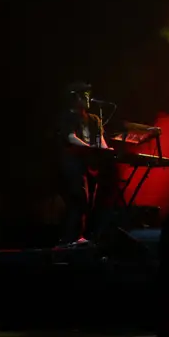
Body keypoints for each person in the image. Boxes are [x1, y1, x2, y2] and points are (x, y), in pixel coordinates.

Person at [58, 81, 114, 245]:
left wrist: (108, 151)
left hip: (90, 164)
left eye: (88, 95)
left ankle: (81, 236)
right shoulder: (67, 117)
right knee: (78, 199)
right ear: (75, 97)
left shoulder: (94, 119)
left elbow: (101, 141)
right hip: (73, 163)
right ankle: (71, 238)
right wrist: (90, 148)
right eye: (84, 95)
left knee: (89, 202)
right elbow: (70, 137)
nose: (88, 98)